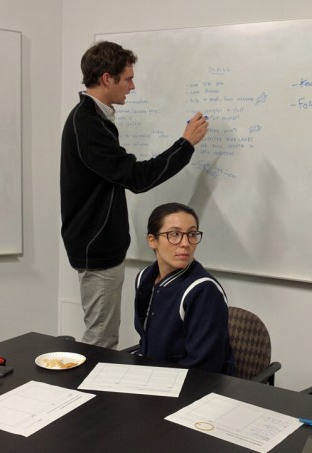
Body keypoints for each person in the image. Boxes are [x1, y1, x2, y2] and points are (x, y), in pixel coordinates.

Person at [61, 41, 209, 349]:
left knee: (103, 337)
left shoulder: (96, 118)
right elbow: (136, 178)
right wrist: (185, 145)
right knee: (100, 341)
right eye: (127, 78)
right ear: (107, 78)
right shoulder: (87, 124)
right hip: (97, 249)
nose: (132, 86)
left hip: (101, 246)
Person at [133, 203, 235, 375]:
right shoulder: (144, 278)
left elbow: (203, 367)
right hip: (154, 374)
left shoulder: (204, 290)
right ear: (152, 240)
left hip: (196, 383)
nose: (185, 243)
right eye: (174, 234)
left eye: (192, 234)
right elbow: (146, 341)